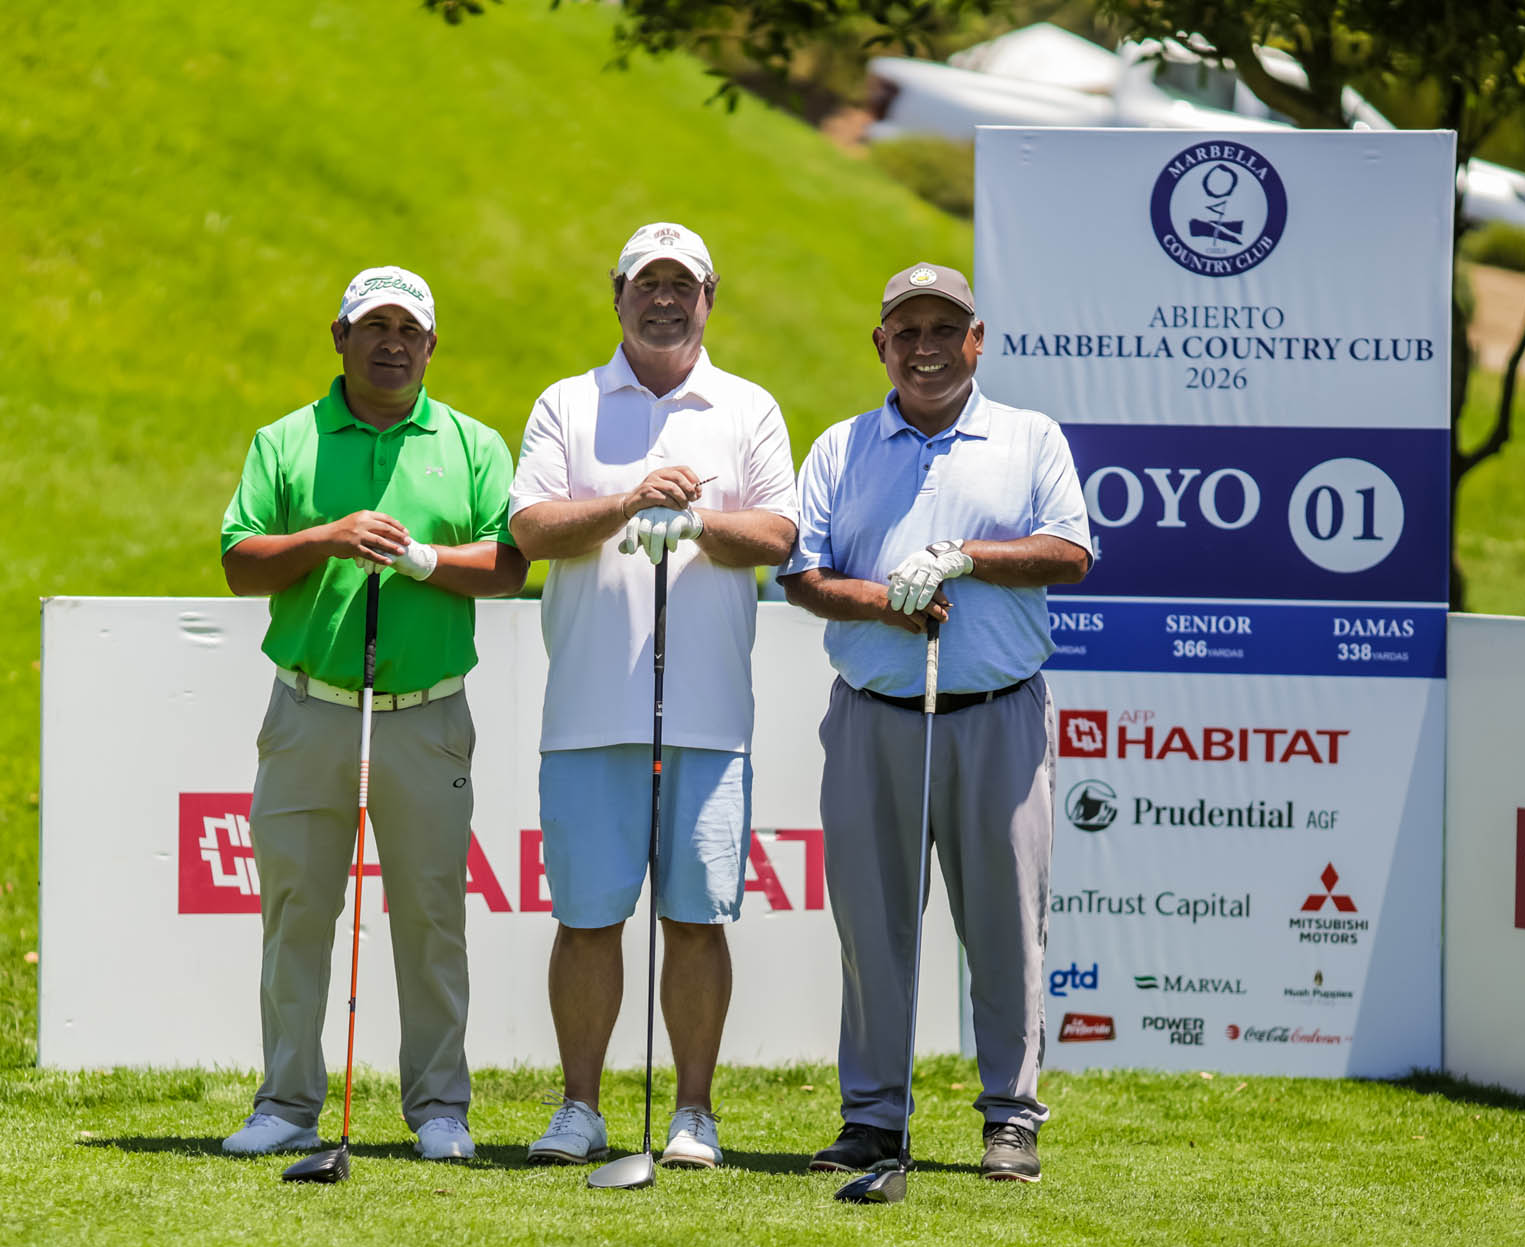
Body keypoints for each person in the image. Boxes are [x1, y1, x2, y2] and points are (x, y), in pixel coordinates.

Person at [777, 262, 1092, 1183]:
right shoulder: (840, 447)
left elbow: (1069, 552)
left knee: (1004, 927)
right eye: (906, 331)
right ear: (881, 343)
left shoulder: (1029, 437)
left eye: (944, 329)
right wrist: (884, 603)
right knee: (873, 931)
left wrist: (964, 557)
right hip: (873, 714)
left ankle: (1011, 1118)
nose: (925, 347)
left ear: (976, 340)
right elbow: (803, 577)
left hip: (996, 715)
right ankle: (874, 1118)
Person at [217, 265, 527, 1160]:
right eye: (374, 327)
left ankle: (439, 1110)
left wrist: (425, 560)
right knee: (297, 911)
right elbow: (239, 561)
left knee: (431, 915)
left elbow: (509, 566)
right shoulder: (287, 441)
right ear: (340, 337)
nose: (392, 344)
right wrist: (327, 538)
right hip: (310, 707)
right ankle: (286, 1103)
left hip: (426, 716)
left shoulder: (471, 444)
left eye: (408, 331)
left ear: (430, 346)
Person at [507, 223, 799, 1170]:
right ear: (617, 293)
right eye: (647, 283)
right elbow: (533, 528)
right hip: (590, 711)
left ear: (710, 297)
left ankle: (693, 1116)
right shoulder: (568, 403)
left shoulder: (748, 407)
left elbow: (781, 536)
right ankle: (580, 1109)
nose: (664, 299)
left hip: (707, 715)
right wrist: (630, 502)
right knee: (587, 918)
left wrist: (700, 522)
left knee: (696, 919)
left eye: (682, 284)